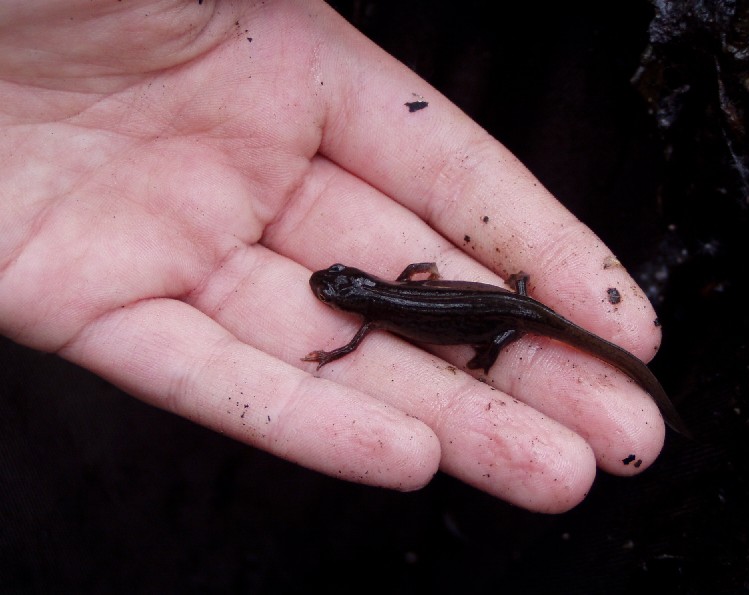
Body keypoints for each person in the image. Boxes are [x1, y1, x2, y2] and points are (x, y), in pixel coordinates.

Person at [0, 0, 668, 513]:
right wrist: (421, 286)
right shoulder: (381, 298)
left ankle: (503, 349)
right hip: (509, 301)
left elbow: (372, 325)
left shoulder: (373, 316)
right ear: (357, 286)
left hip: (511, 314)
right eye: (334, 286)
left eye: (333, 288)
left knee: (507, 324)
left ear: (355, 293)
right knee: (510, 307)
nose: (331, 288)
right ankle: (515, 333)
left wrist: (473, 345)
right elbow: (411, 280)